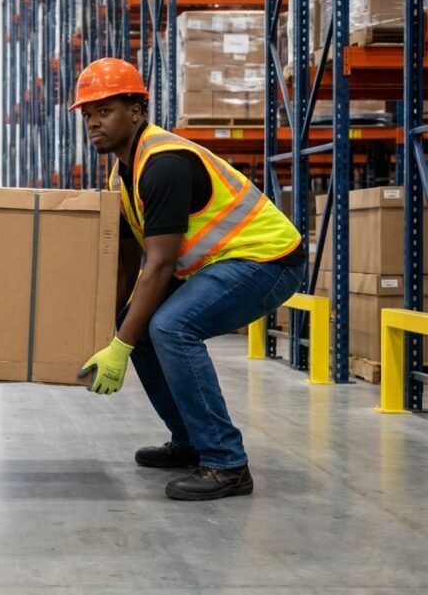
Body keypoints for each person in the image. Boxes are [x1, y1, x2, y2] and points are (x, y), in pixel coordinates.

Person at [72, 57, 304, 501]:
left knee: (171, 326)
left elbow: (157, 266)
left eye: (105, 110)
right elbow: (126, 260)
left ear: (136, 110)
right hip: (220, 264)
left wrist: (119, 346)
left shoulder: (164, 164)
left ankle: (227, 463)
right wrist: (112, 329)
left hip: (269, 261)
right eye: (88, 114)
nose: (93, 122)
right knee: (136, 329)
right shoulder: (124, 173)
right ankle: (190, 442)